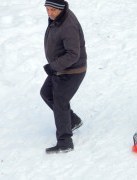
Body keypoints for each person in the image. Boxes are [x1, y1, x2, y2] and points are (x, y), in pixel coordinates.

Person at [40, 0, 87, 154]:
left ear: (60, 9)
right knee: (46, 93)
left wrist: (53, 66)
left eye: (52, 9)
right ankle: (73, 121)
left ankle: (65, 142)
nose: (49, 13)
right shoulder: (59, 17)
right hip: (61, 68)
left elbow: (73, 54)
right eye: (47, 9)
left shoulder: (68, 25)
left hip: (72, 71)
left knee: (60, 101)